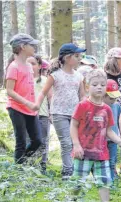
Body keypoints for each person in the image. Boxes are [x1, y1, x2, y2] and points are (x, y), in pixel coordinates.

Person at [70, 69, 121, 202]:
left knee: (104, 180)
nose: (99, 87)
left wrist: (119, 140)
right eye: (95, 84)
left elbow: (109, 131)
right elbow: (73, 125)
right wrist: (76, 145)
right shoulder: (82, 106)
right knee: (78, 180)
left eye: (102, 85)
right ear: (88, 87)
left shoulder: (107, 109)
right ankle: (72, 201)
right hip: (83, 151)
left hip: (102, 153)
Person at [34, 43, 86, 180]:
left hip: (76, 114)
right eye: (77, 56)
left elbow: (82, 95)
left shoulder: (79, 76)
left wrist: (87, 110)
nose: (80, 58)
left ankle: (76, 170)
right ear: (68, 58)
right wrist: (36, 105)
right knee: (66, 143)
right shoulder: (55, 75)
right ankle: (68, 172)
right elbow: (43, 92)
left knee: (76, 142)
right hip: (59, 113)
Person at [5, 33, 43, 164]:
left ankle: (22, 161)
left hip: (30, 109)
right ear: (22, 47)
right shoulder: (13, 66)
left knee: (37, 140)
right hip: (16, 108)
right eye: (31, 45)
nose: (34, 47)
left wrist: (34, 103)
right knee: (20, 141)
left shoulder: (28, 65)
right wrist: (27, 102)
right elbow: (9, 90)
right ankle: (19, 169)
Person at [104, 47, 121, 176]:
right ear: (114, 61)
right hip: (109, 110)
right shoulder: (103, 75)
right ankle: (112, 167)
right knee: (112, 138)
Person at [27, 55, 52, 173]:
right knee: (28, 139)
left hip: (42, 114)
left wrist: (51, 112)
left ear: (40, 66)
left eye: (33, 63)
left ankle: (42, 165)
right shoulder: (23, 79)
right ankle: (29, 163)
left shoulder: (45, 80)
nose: (30, 66)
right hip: (26, 114)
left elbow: (50, 97)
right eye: (28, 63)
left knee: (43, 140)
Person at [103, 79, 121, 181]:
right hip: (101, 140)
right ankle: (102, 178)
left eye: (115, 97)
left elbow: (120, 121)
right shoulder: (99, 106)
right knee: (102, 160)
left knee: (112, 161)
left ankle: (111, 180)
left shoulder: (117, 106)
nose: (114, 100)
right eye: (111, 98)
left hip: (113, 139)